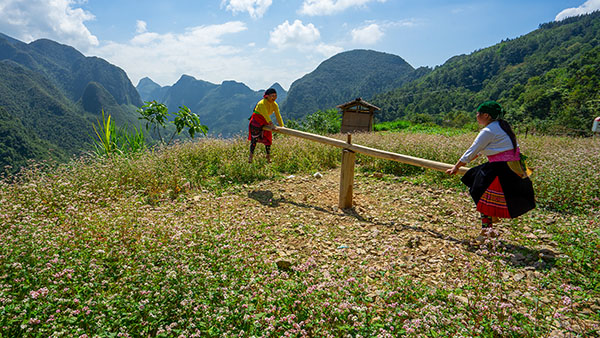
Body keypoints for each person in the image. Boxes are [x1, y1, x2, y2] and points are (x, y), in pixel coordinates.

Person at [446, 101, 535, 239]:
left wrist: (456, 167)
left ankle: (486, 229)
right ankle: (489, 225)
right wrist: (459, 165)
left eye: (478, 113)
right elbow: (480, 151)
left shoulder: (489, 130)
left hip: (502, 168)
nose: (476, 116)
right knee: (472, 177)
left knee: (479, 192)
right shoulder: (502, 126)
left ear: (486, 115)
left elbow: (473, 150)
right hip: (510, 166)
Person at [248, 88, 284, 163]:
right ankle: (250, 158)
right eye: (272, 96)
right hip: (257, 120)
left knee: (268, 139)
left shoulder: (275, 104)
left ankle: (268, 158)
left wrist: (282, 126)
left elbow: (278, 115)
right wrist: (272, 125)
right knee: (254, 139)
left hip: (265, 121)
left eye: (275, 96)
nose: (274, 97)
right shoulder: (262, 103)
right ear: (267, 96)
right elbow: (265, 115)